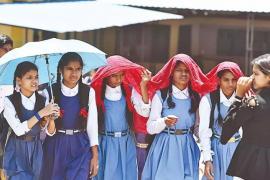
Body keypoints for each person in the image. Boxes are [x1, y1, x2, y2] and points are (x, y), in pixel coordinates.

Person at [142, 54, 209, 180]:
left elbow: (198, 128)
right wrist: (164, 122)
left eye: (187, 70)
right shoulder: (161, 95)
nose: (183, 74)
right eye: (179, 70)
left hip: (187, 148)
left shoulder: (196, 97)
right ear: (171, 72)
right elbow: (150, 128)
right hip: (165, 147)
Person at [91, 55, 152, 180]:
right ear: (106, 75)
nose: (118, 79)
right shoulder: (95, 93)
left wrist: (143, 86)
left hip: (126, 142)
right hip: (105, 143)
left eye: (121, 75)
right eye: (114, 76)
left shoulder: (129, 90)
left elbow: (145, 112)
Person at [40, 52, 99, 180]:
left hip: (81, 146)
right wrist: (50, 118)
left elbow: (92, 126)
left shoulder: (88, 92)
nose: (74, 73)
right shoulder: (49, 92)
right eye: (69, 69)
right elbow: (48, 132)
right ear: (61, 69)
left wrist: (95, 156)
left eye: (78, 69)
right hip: (56, 146)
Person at [2, 61, 59, 180]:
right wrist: (41, 114)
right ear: (19, 81)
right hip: (17, 149)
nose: (34, 81)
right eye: (29, 77)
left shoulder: (43, 99)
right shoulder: (9, 101)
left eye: (36, 77)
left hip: (36, 149)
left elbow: (49, 132)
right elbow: (18, 130)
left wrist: (51, 119)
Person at [221, 54, 270, 180]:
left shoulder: (254, 103)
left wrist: (238, 96)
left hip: (249, 165)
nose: (251, 77)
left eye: (256, 74)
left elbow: (225, 133)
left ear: (269, 76)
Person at [199, 62, 243, 180]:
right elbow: (204, 132)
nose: (230, 84)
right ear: (218, 80)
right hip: (216, 149)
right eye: (226, 80)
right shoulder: (208, 100)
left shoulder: (244, 100)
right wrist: (207, 159)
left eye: (234, 80)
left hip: (238, 150)